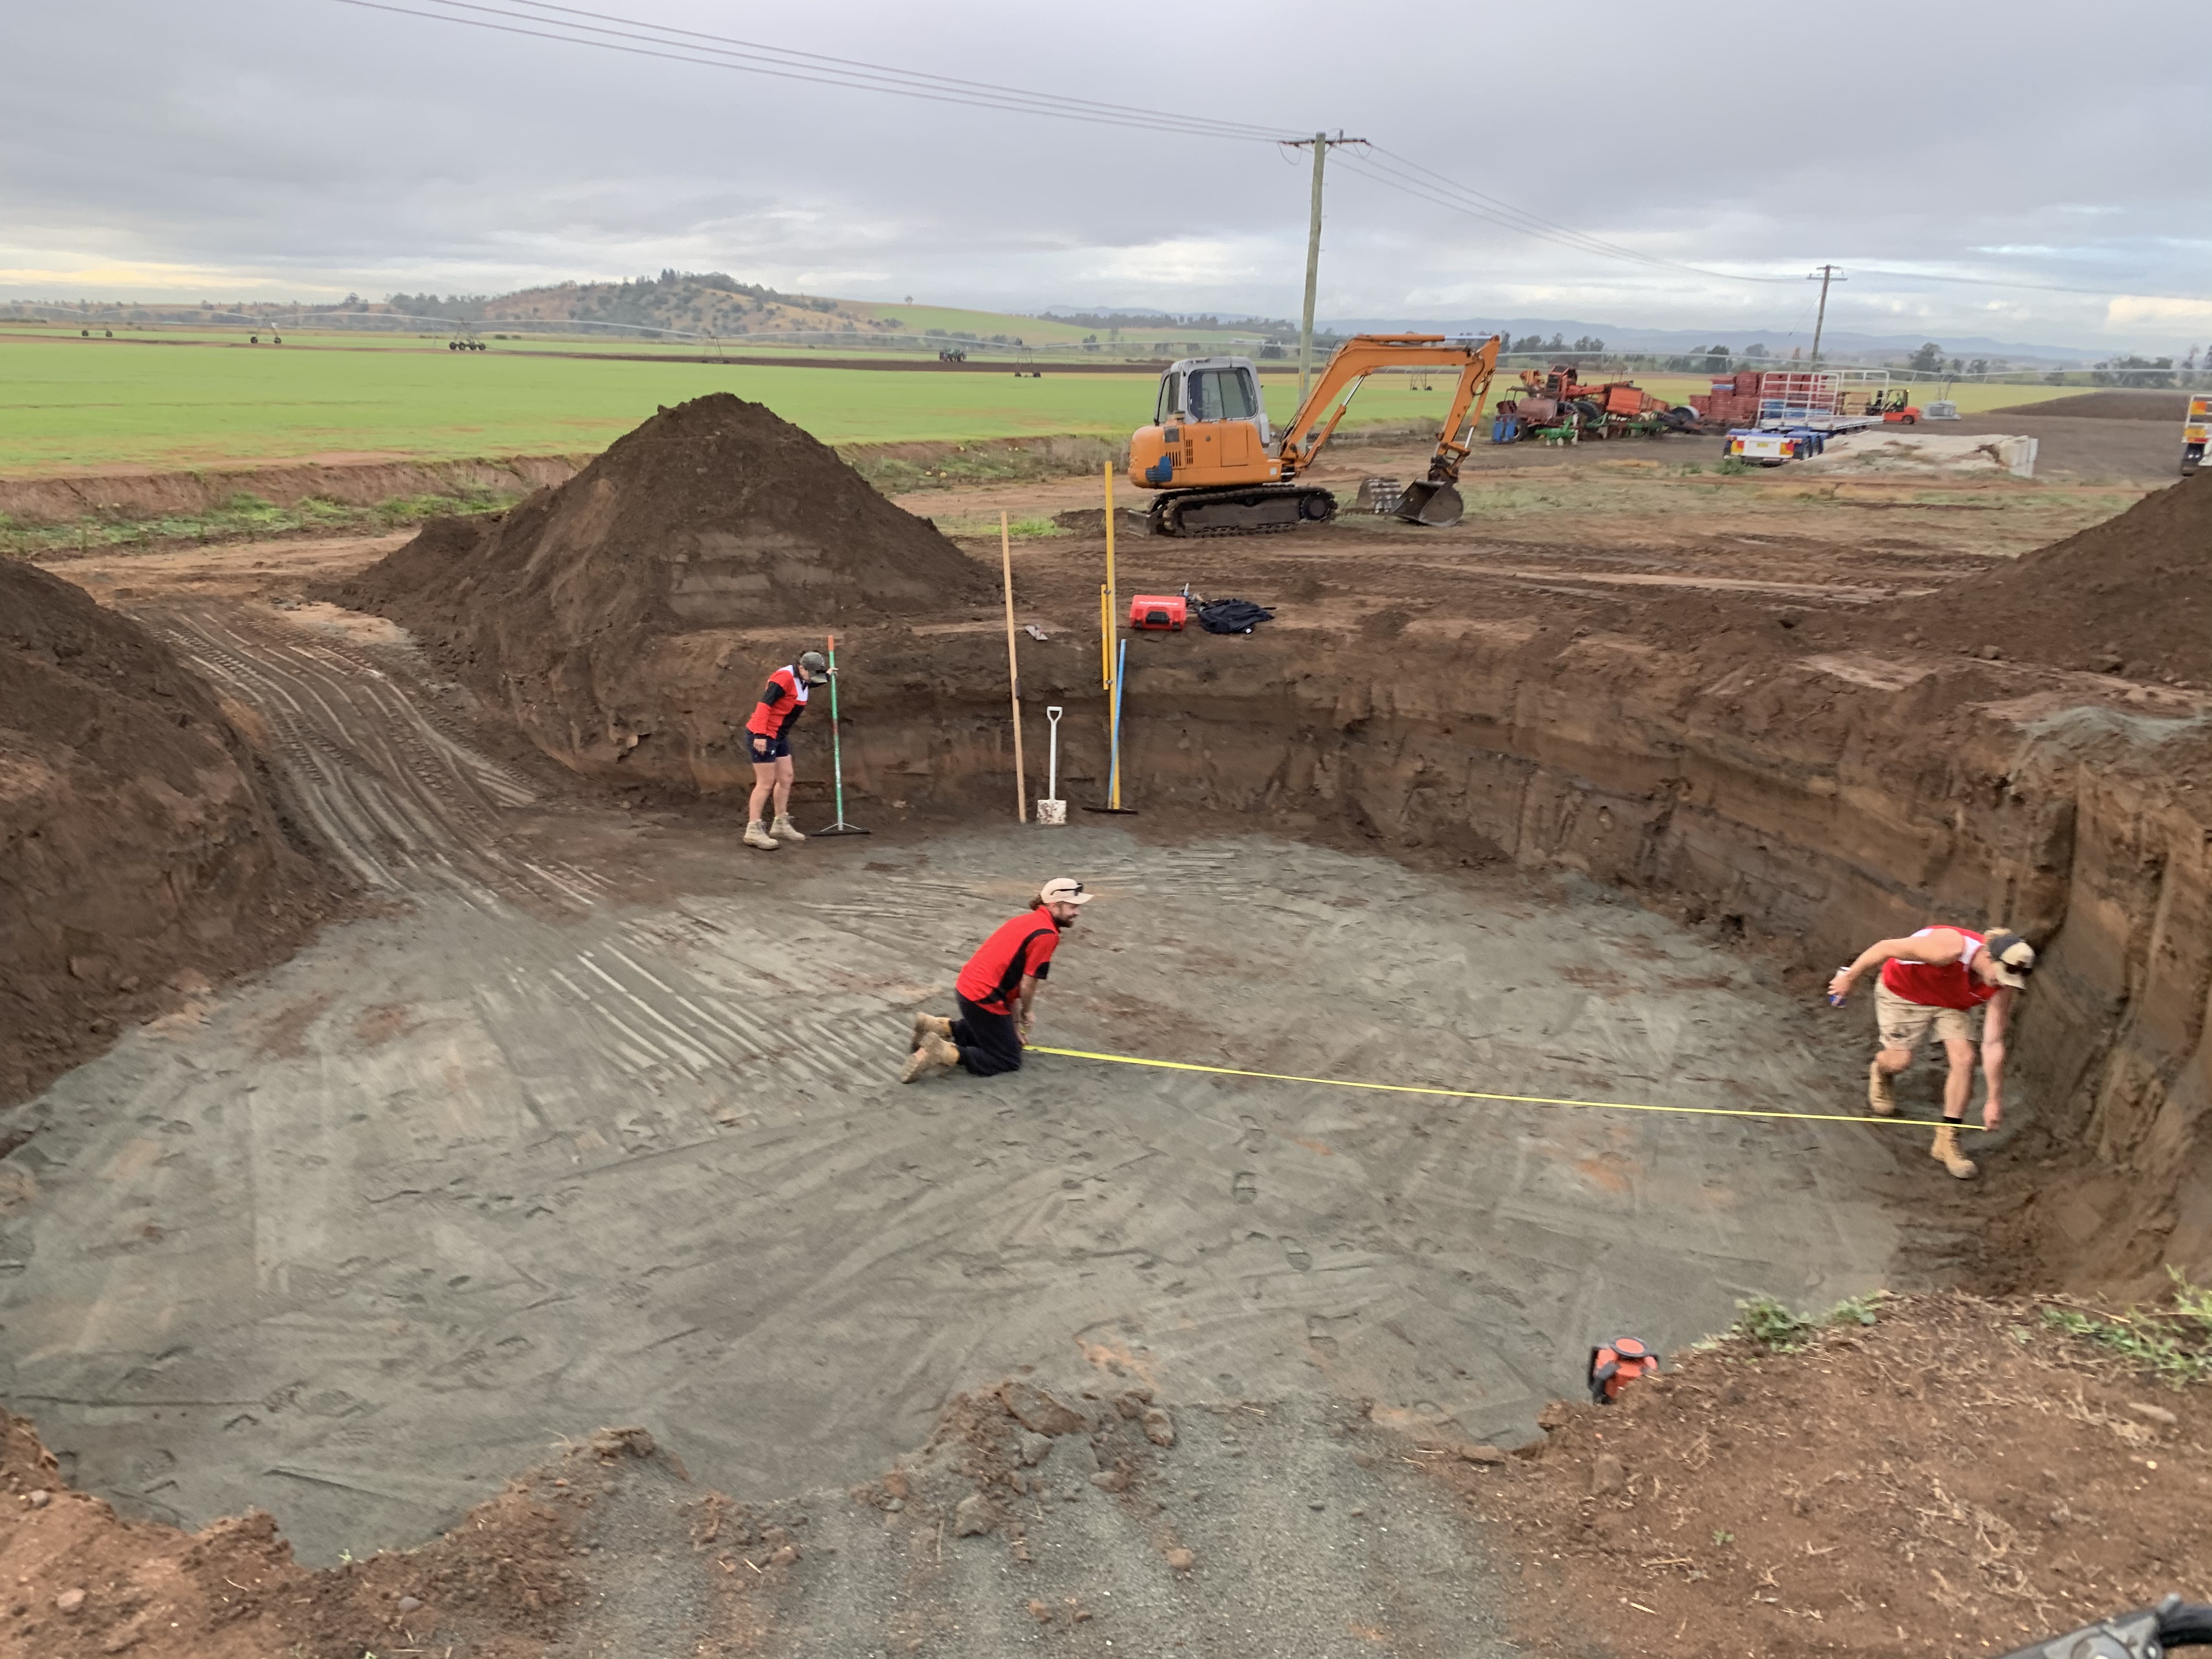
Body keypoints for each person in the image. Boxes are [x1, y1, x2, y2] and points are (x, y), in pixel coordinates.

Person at [1826, 924, 2037, 1179]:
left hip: (1951, 1003)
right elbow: (1885, 948)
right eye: (2001, 975)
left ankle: (1947, 1140)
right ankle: (1882, 1070)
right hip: (1905, 994)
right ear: (1988, 956)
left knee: (1965, 1058)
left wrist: (1994, 1099)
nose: (2002, 983)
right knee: (1899, 1061)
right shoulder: (1947, 948)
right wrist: (1849, 977)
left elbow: (1993, 1043)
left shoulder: (2001, 985)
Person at [902, 878, 1095, 1082]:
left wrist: (1013, 1026)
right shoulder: (1047, 935)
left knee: (996, 1034)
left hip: (968, 988)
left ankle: (935, 1025)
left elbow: (1010, 982)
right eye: (1073, 907)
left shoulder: (1027, 921)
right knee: (1007, 1059)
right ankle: (943, 1051)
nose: (1077, 913)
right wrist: (1026, 1012)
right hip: (983, 997)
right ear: (1054, 905)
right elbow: (1027, 985)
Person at [742, 651, 829, 850]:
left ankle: (780, 823)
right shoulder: (783, 678)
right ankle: (753, 829)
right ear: (801, 668)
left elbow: (812, 683)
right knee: (765, 783)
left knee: (786, 777)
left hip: (778, 736)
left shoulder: (805, 678)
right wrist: (761, 735)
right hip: (763, 735)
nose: (814, 678)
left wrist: (828, 676)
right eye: (812, 673)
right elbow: (764, 705)